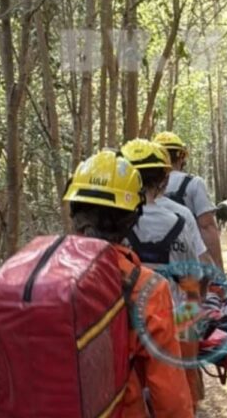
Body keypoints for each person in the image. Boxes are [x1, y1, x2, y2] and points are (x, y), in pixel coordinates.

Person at [63, 150, 194, 417]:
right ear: (131, 219)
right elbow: (170, 398)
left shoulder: (44, 273)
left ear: (74, 211)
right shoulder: (145, 287)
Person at [119, 139, 210, 409]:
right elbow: (194, 278)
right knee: (179, 395)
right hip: (174, 323)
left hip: (126, 327)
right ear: (164, 179)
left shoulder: (114, 221)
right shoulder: (181, 218)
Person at [153, 131, 224, 272]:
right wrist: (218, 269)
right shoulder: (194, 184)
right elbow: (207, 227)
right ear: (181, 157)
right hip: (187, 263)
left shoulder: (145, 185)